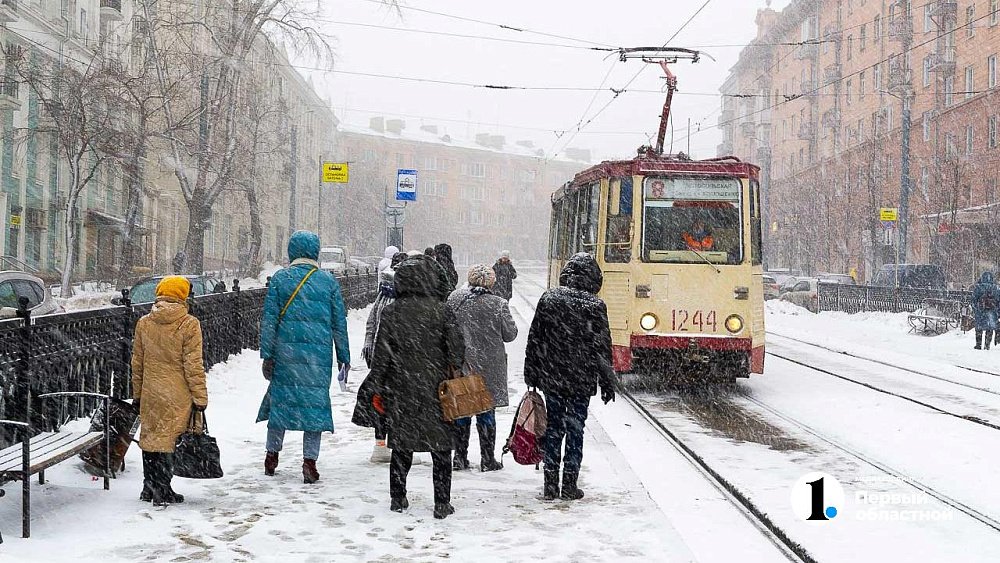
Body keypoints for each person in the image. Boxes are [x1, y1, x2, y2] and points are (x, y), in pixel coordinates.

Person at [367, 255, 465, 519]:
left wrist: (377, 386)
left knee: (401, 445)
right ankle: (442, 502)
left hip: (401, 387)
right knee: (441, 448)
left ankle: (398, 498)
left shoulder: (392, 311)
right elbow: (457, 352)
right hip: (437, 388)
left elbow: (382, 355)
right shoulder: (443, 310)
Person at [257, 230, 350, 483]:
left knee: (281, 404)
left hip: (285, 355)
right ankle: (310, 462)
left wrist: (267, 354)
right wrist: (344, 355)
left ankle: (271, 454)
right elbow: (338, 322)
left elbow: (269, 321)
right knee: (314, 407)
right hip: (317, 359)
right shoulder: (327, 282)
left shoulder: (280, 279)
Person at [524, 253, 616, 501]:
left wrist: (531, 373)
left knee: (553, 429)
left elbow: (535, 339)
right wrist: (607, 382)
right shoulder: (595, 306)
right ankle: (569, 485)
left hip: (552, 378)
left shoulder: (549, 299)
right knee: (576, 431)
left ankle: (550, 484)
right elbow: (602, 348)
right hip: (580, 379)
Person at [131, 276, 208, 506]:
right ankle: (163, 489)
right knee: (169, 440)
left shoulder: (144, 323)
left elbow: (137, 362)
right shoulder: (188, 324)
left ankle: (149, 485)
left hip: (151, 391)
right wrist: (200, 397)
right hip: (177, 393)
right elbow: (193, 365)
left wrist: (137, 394)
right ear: (183, 295)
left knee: (151, 439)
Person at [446, 265, 518, 472]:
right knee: (486, 410)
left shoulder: (455, 300)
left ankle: (460, 456)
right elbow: (510, 334)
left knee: (462, 409)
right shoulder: (498, 304)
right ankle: (487, 458)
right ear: (491, 282)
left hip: (464, 363)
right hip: (490, 366)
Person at [356, 251, 408, 463]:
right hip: (396, 359)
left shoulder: (383, 294)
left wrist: (370, 346)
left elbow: (371, 323)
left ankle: (380, 444)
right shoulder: (400, 297)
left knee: (380, 400)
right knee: (397, 402)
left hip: (379, 356)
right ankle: (393, 444)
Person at [971, 271, 1000, 350]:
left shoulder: (978, 287)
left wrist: (975, 309)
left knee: (979, 328)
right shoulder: (995, 288)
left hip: (980, 312)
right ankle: (987, 345)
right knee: (989, 328)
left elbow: (973, 300)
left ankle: (978, 345)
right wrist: (998, 312)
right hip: (992, 312)